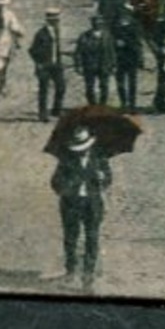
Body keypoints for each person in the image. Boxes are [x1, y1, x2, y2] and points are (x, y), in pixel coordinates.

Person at [49, 125, 111, 293]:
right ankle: (71, 270)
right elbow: (55, 182)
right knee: (71, 237)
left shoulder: (100, 158)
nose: (81, 151)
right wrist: (67, 188)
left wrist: (103, 178)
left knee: (92, 238)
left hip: (92, 203)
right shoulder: (66, 160)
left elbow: (108, 179)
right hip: (71, 204)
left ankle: (88, 274)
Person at [29, 9, 68, 122]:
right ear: (49, 21)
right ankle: (43, 114)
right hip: (45, 65)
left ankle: (56, 110)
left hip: (56, 64)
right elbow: (32, 50)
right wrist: (39, 63)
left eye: (57, 19)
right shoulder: (41, 34)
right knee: (43, 90)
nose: (57, 22)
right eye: (54, 20)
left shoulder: (57, 31)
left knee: (61, 87)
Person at [74, 14, 117, 105]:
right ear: (92, 23)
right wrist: (79, 65)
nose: (97, 24)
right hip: (90, 65)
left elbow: (111, 51)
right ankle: (92, 105)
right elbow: (78, 52)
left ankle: (102, 105)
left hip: (104, 65)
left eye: (100, 22)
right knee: (90, 87)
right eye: (95, 22)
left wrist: (113, 64)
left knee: (104, 86)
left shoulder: (107, 36)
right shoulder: (85, 36)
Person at [110, 7, 144, 111]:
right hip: (119, 58)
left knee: (132, 82)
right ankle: (123, 103)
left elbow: (138, 43)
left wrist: (126, 43)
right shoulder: (114, 26)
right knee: (120, 81)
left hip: (131, 57)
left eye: (125, 15)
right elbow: (110, 41)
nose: (123, 18)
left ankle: (132, 104)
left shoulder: (135, 26)